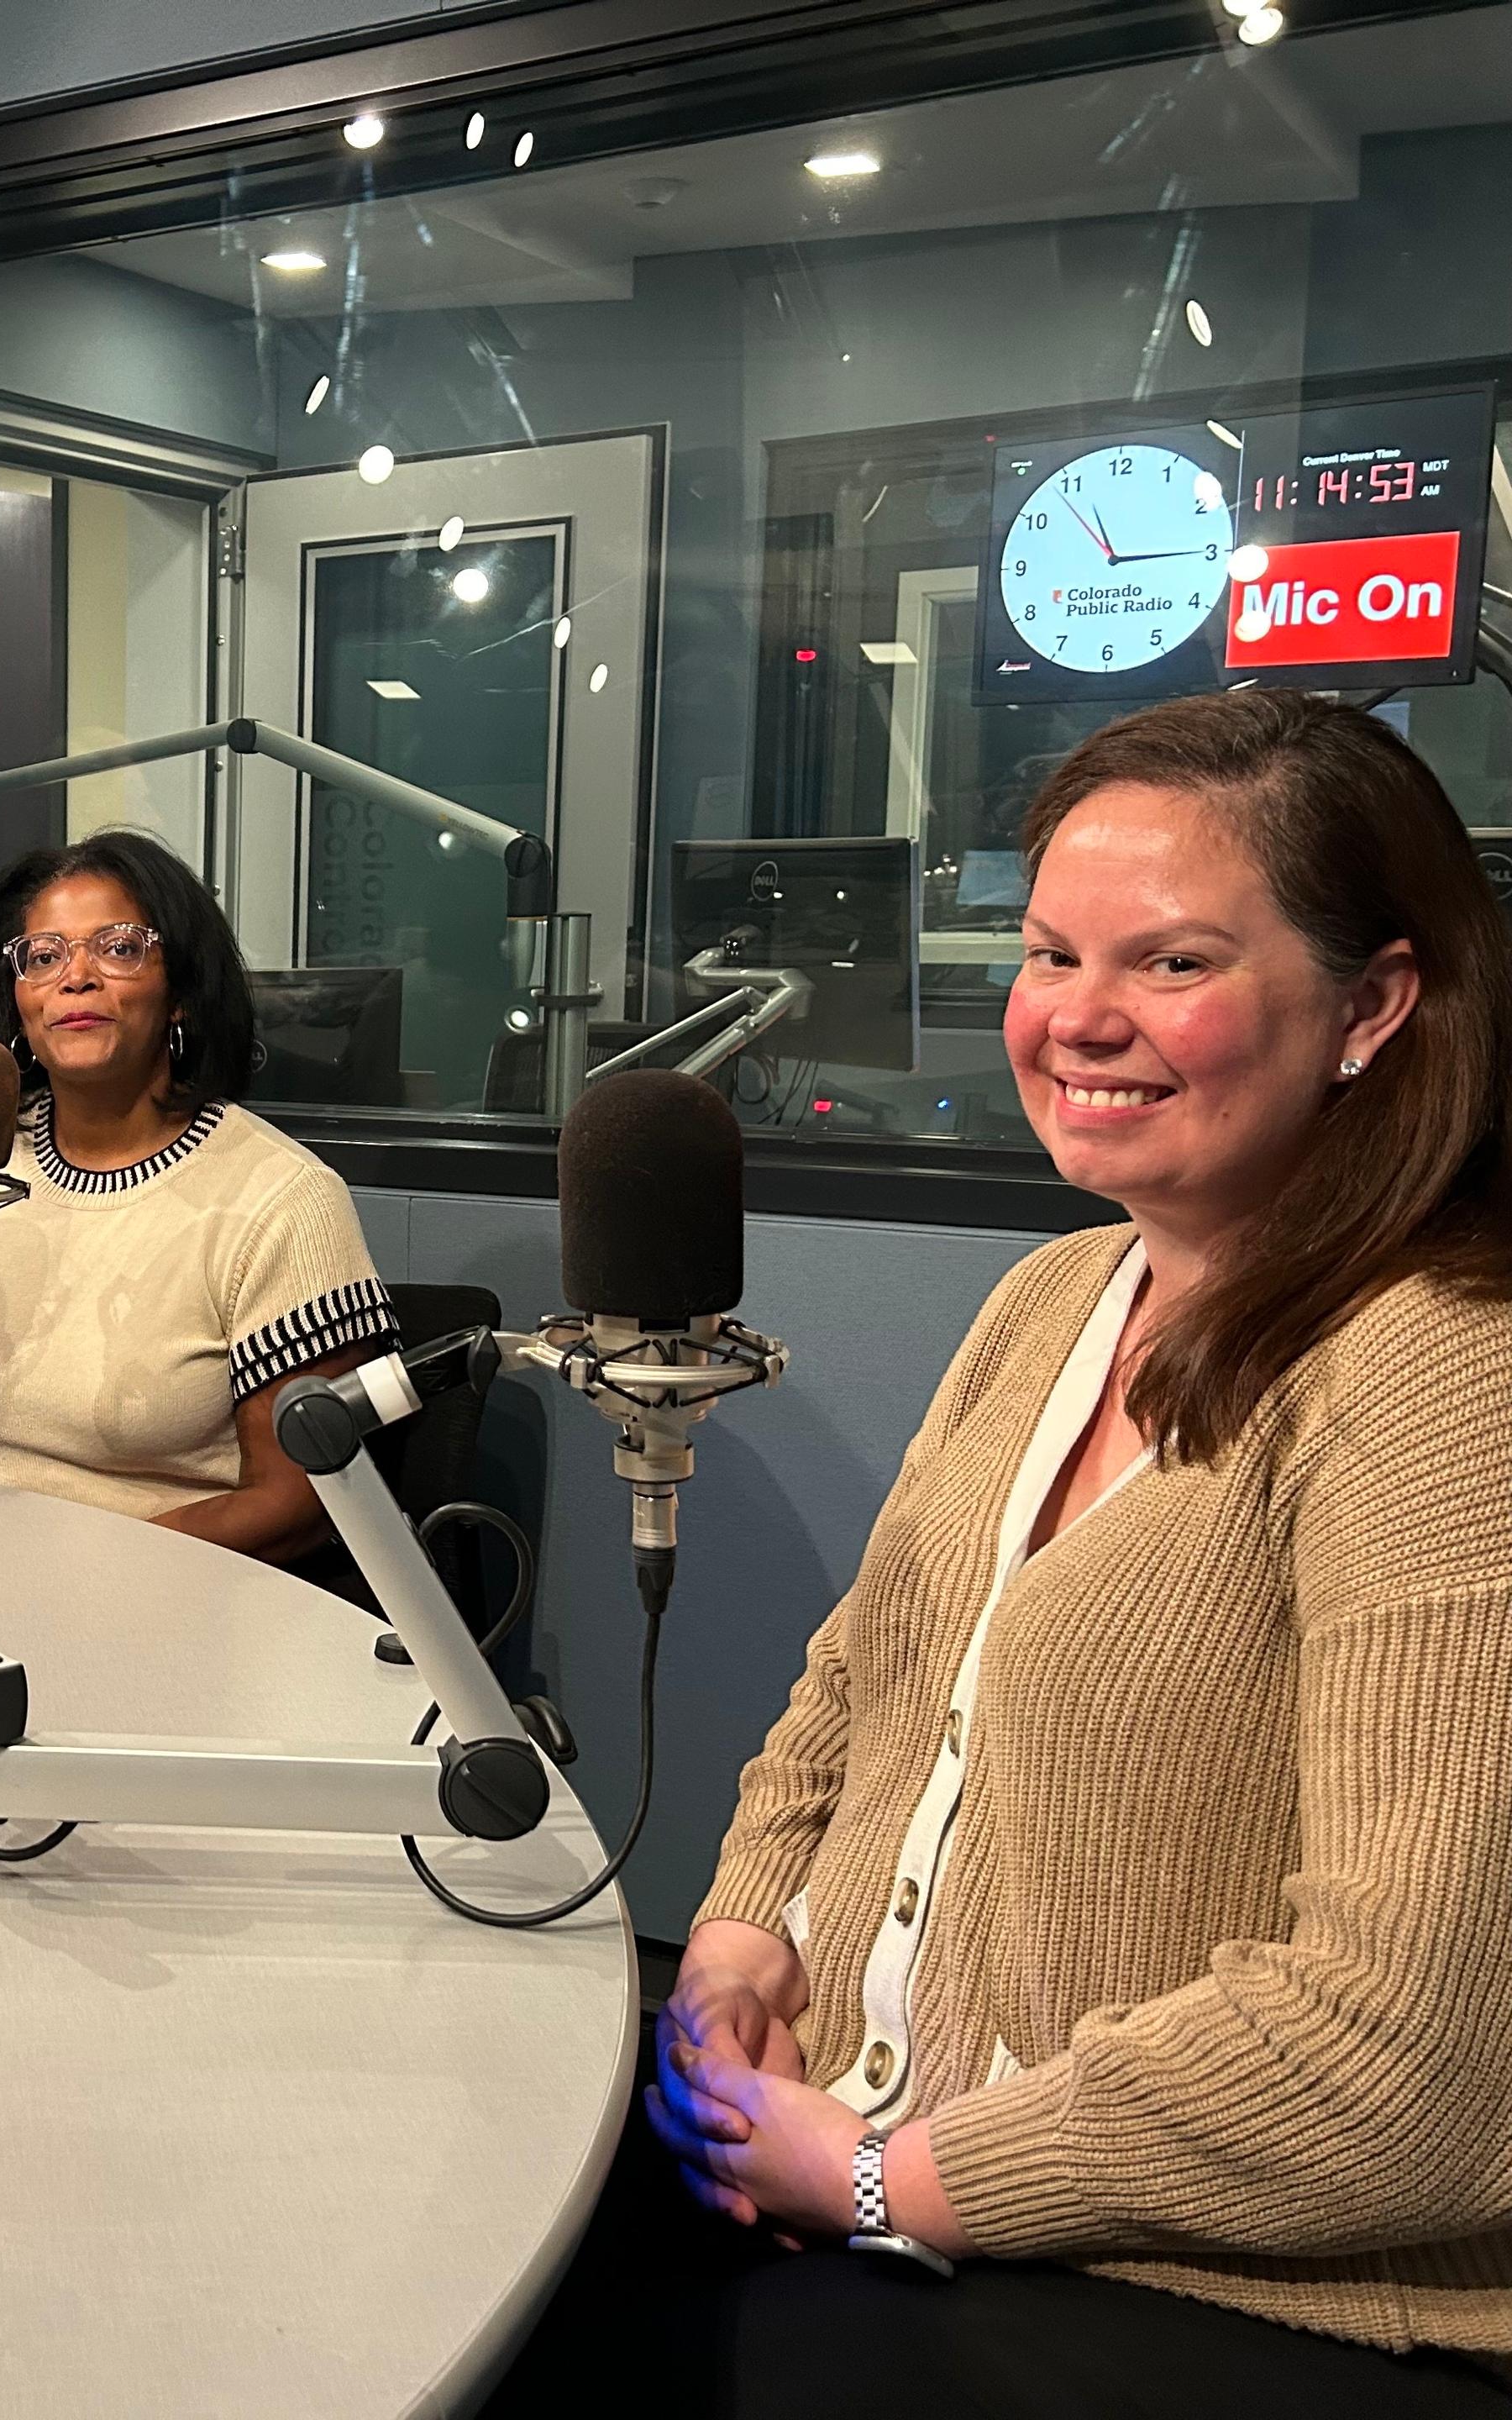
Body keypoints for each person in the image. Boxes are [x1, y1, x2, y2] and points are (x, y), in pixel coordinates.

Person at [488, 690, 1512, 2416]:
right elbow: (861, 1686)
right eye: (1049, 957)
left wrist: (902, 2180)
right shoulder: (1056, 1293)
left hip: (1227, 2290)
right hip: (863, 2152)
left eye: (1172, 964)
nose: (1080, 1021)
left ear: (1373, 1006)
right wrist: (740, 1951)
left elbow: (1415, 2053)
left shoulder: (1443, 1375)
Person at [0, 829, 400, 1562]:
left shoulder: (282, 1200)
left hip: (165, 1597)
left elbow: (294, 1500)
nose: (76, 978)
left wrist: (85, 1580)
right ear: (17, 1003)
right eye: (43, 956)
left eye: (118, 947)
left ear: (180, 995)